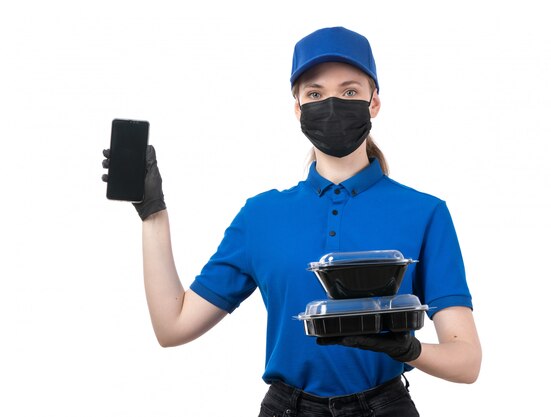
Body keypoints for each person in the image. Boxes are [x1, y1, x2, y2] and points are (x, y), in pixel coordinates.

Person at [102, 26, 481, 416]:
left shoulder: (424, 212)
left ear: (374, 103)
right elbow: (173, 326)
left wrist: (409, 349)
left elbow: (466, 361)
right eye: (315, 93)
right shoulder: (262, 215)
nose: (332, 104)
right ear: (298, 109)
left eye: (349, 91)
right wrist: (153, 215)